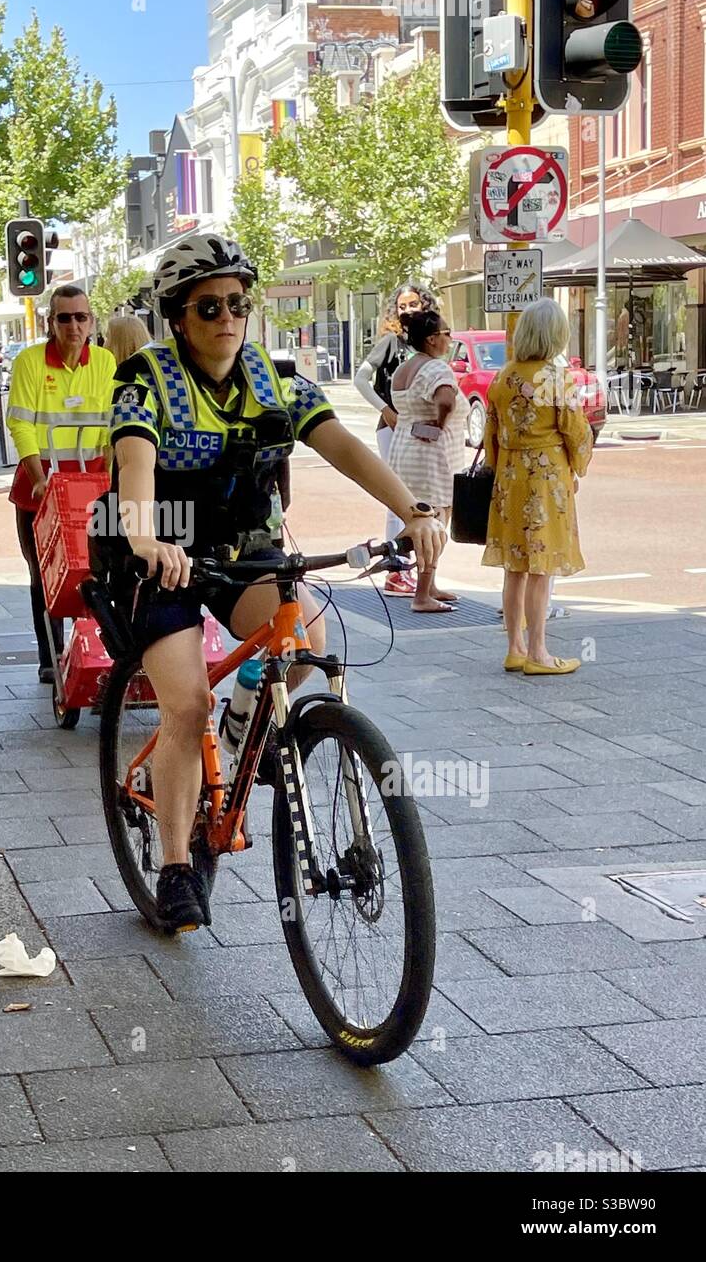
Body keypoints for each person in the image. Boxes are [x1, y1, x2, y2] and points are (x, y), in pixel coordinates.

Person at [101, 232, 445, 933]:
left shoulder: (275, 380)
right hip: (157, 557)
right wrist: (143, 535)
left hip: (241, 551)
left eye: (236, 303)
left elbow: (343, 446)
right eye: (207, 307)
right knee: (186, 701)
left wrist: (412, 510)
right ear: (176, 316)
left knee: (303, 636)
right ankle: (173, 865)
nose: (226, 317)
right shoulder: (144, 380)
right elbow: (133, 463)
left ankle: (236, 742)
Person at [6, 285, 116, 684]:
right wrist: (38, 478)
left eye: (81, 317)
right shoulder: (31, 362)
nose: (73, 326)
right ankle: (50, 657)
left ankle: (104, 651)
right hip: (43, 480)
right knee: (45, 573)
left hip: (92, 481)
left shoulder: (104, 362)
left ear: (91, 321)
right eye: (64, 318)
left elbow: (111, 423)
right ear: (50, 322)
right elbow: (20, 422)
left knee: (100, 568)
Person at [483, 298, 593, 676]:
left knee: (514, 567)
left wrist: (500, 468)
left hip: (509, 477)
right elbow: (576, 431)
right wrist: (577, 466)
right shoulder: (555, 378)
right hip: (546, 480)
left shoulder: (502, 377)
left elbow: (491, 435)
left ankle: (514, 647)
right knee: (540, 566)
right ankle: (539, 652)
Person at [354, 282, 441, 595]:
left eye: (413, 304)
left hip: (421, 429)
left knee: (423, 499)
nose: (407, 311)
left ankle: (422, 575)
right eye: (402, 306)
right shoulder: (392, 342)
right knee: (398, 497)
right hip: (394, 427)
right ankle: (396, 570)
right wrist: (385, 409)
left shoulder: (428, 342)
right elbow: (361, 378)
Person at [386, 309, 469, 614]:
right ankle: (422, 594)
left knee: (422, 520)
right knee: (435, 525)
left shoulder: (404, 370)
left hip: (405, 450)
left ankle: (428, 584)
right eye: (447, 333)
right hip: (433, 457)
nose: (450, 338)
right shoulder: (436, 369)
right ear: (432, 339)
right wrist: (440, 422)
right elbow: (445, 400)